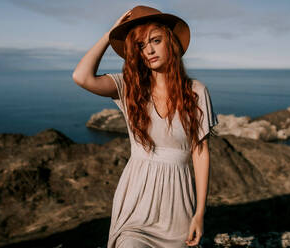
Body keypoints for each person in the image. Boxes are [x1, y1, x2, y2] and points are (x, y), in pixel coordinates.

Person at [72, 5, 218, 248]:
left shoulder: (197, 92)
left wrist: (199, 214)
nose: (148, 50)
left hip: (177, 203)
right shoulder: (130, 88)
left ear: (170, 42)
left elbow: (200, 153)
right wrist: (111, 33)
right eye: (140, 45)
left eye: (155, 40)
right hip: (136, 198)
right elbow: (81, 76)